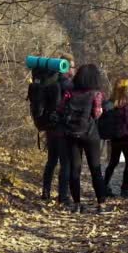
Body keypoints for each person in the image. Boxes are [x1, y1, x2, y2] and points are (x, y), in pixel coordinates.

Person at [59, 64, 109, 213]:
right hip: (90, 134)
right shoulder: (96, 94)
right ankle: (101, 204)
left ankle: (76, 204)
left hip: (71, 135)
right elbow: (97, 114)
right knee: (95, 169)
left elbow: (61, 109)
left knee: (75, 170)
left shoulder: (69, 92)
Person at [41, 53, 75, 206]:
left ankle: (46, 192)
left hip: (50, 129)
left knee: (51, 162)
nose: (74, 69)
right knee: (65, 163)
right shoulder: (67, 84)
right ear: (66, 67)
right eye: (72, 66)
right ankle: (63, 197)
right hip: (62, 130)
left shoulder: (48, 82)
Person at [103, 78, 128, 198]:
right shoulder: (127, 103)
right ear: (125, 89)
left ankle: (104, 185)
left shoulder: (110, 103)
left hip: (114, 138)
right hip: (126, 137)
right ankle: (124, 188)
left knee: (113, 162)